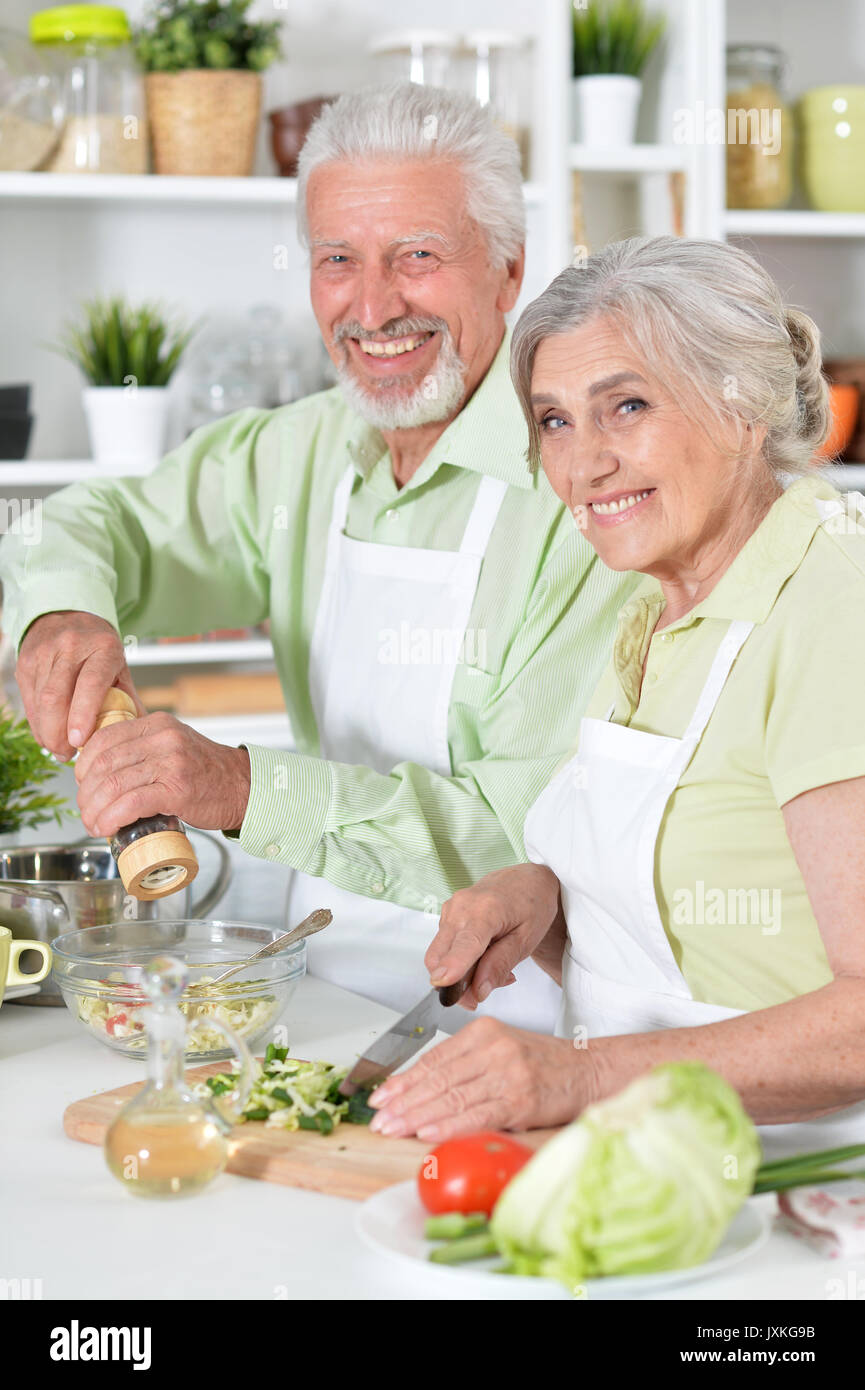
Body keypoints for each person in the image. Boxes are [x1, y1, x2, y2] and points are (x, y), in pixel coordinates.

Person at [0, 84, 632, 1030]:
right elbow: (89, 521)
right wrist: (64, 612)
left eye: (415, 256)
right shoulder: (297, 453)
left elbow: (524, 831)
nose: (371, 306)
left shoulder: (585, 486)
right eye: (338, 259)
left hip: (528, 1018)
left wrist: (241, 787)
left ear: (508, 272)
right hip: (322, 995)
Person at [367, 234, 865, 1155]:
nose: (581, 466)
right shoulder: (654, 602)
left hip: (798, 1182)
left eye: (624, 407)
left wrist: (585, 1075)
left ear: (744, 406)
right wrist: (543, 899)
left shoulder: (836, 611)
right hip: (640, 1159)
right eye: (554, 421)